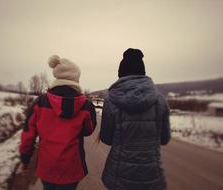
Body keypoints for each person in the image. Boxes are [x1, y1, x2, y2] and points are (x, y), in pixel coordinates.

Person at [19, 55, 97, 190]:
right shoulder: (86, 106)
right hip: (72, 168)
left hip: (46, 166)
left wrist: (25, 160)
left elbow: (28, 135)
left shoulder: (40, 103)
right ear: (75, 79)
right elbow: (88, 130)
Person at [100, 48, 171, 190]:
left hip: (119, 176)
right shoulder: (160, 100)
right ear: (143, 72)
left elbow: (106, 139)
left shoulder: (111, 100)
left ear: (121, 74)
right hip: (152, 176)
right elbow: (164, 139)